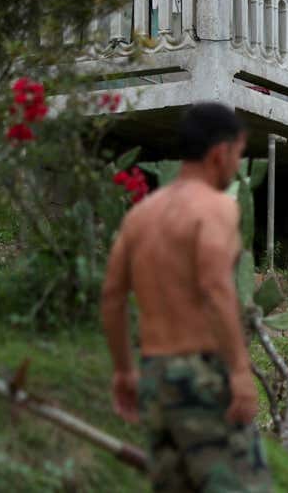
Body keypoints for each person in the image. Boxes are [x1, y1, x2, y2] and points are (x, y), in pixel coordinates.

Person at [101, 103, 270, 492]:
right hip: (203, 376)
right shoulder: (217, 208)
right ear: (219, 153)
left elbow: (112, 295)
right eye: (238, 153)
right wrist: (240, 372)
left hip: (155, 375)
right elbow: (215, 287)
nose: (237, 163)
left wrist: (125, 370)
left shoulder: (141, 215)